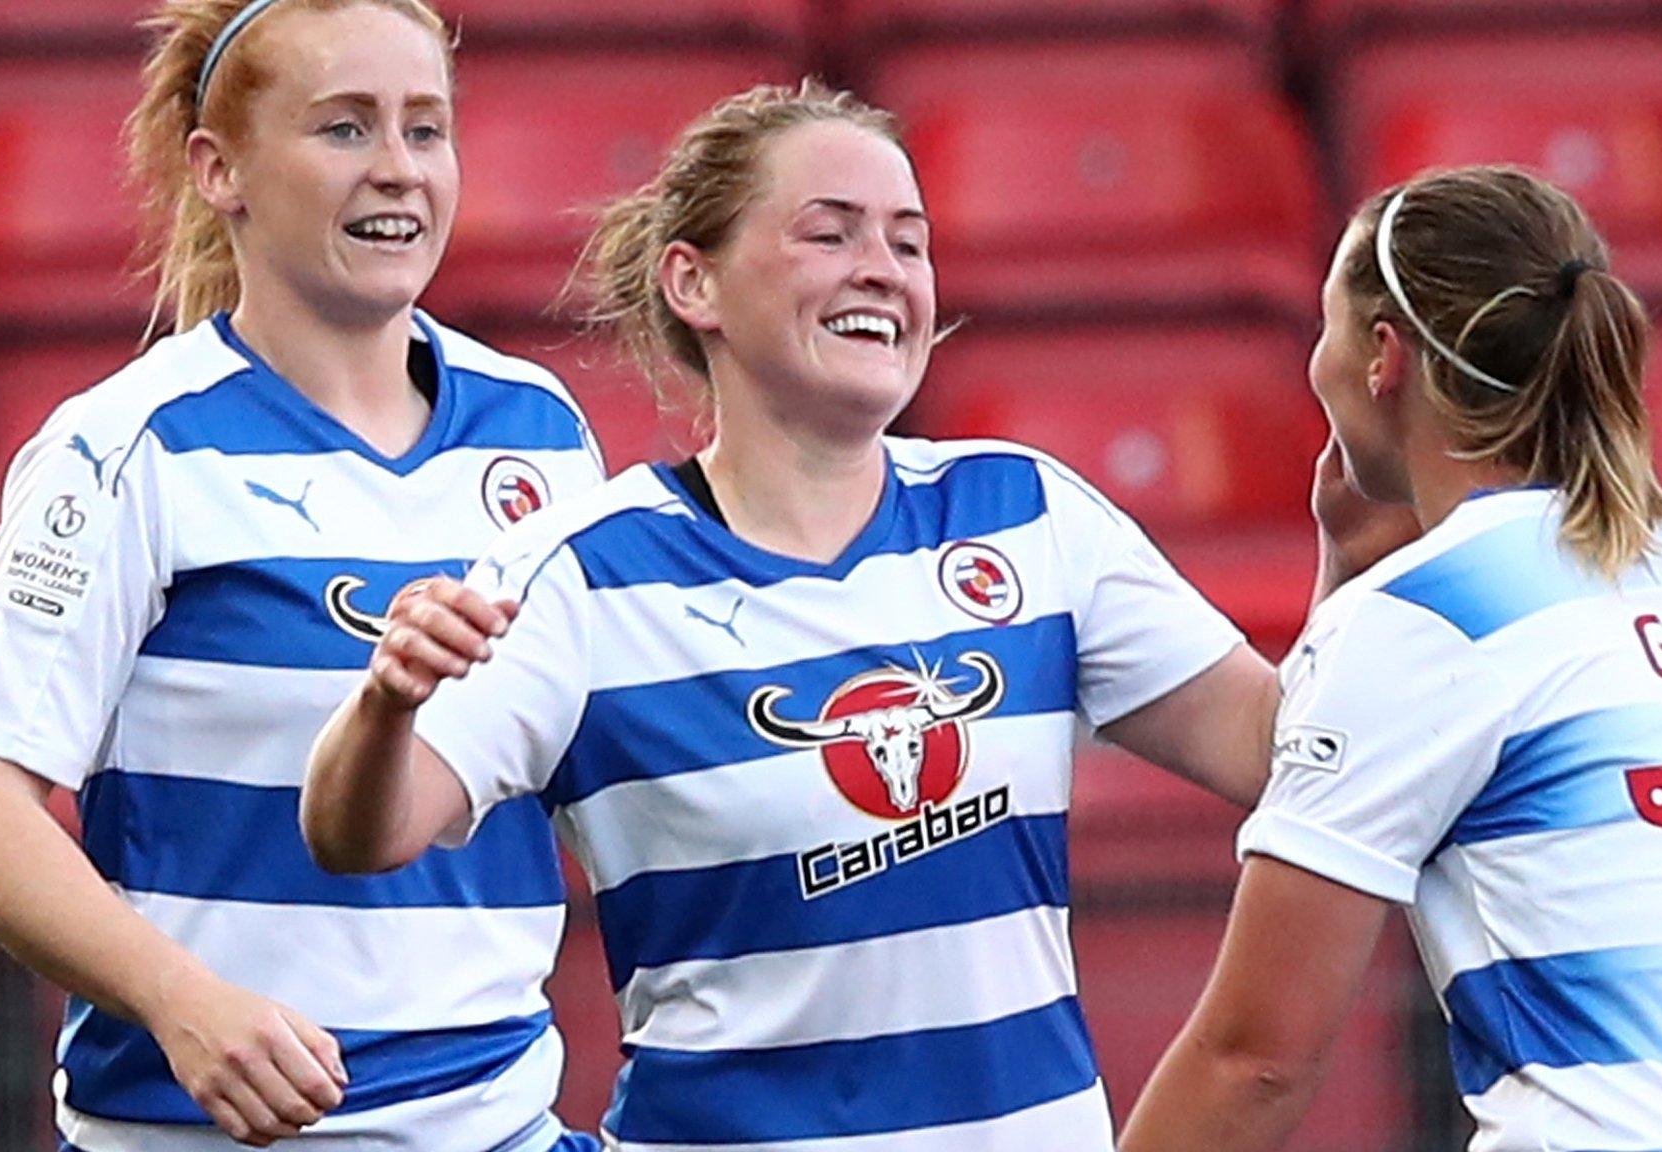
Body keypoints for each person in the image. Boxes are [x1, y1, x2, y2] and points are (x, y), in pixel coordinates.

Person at [302, 80, 1404, 1150]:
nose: (880, 270)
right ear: (694, 283)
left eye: (909, 242)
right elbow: (363, 833)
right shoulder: (582, 573)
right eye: (829, 235)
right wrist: (388, 701)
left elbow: (1286, 755)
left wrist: (1349, 566)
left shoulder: (1024, 512)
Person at [0, 1, 606, 1149]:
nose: (397, 170)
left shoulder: (539, 432)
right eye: (343, 129)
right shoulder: (129, 448)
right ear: (218, 168)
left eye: (425, 130)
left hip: (498, 1124)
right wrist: (185, 1004)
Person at [1117, 165, 1662, 1152]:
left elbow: (1254, 1061)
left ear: (1381, 359)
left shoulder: (1428, 619)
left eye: (1327, 328)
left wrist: (1364, 597)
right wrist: (1345, 574)